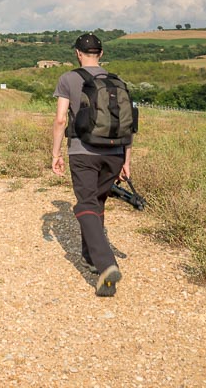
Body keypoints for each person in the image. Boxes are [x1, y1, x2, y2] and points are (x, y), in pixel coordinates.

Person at [51, 33, 132, 297]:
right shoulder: (117, 81)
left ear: (77, 53)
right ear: (101, 54)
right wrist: (126, 161)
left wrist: (55, 153)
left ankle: (106, 263)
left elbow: (61, 119)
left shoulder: (68, 79)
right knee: (97, 203)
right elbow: (129, 125)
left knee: (85, 203)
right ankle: (89, 257)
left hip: (83, 151)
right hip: (116, 152)